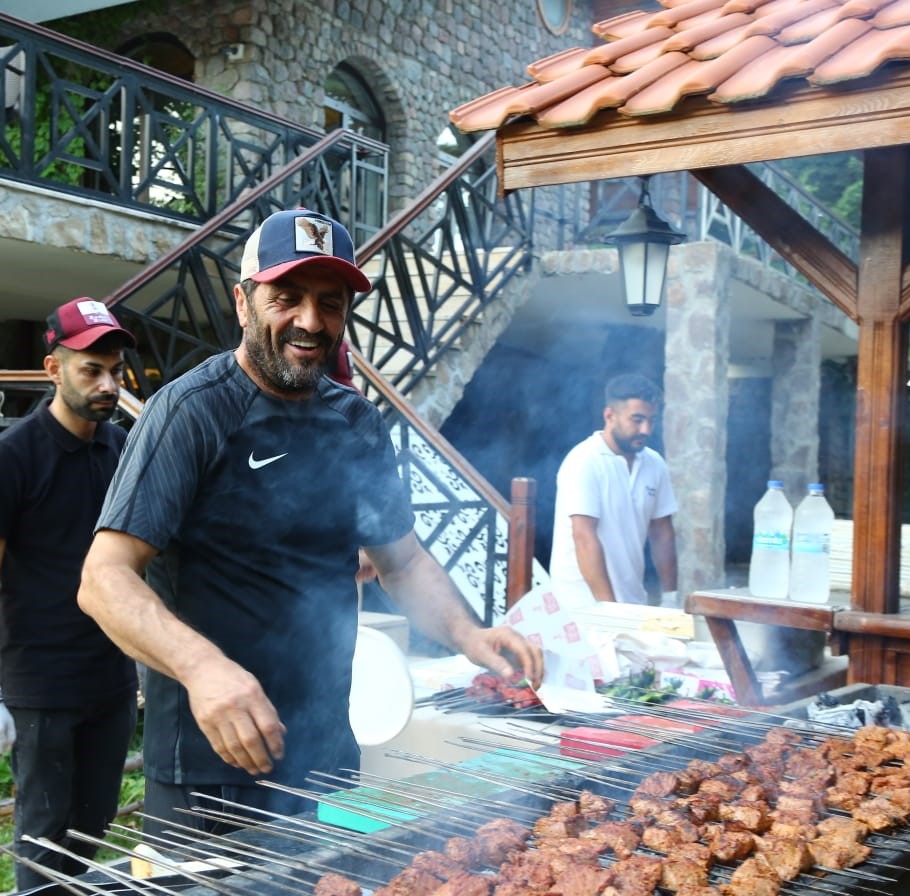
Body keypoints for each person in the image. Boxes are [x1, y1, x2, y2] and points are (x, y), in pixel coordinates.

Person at [78, 208, 543, 839]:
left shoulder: (356, 423)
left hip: (326, 756)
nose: (309, 320)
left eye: (330, 303)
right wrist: (203, 669)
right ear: (244, 303)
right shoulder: (190, 412)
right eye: (286, 297)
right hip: (211, 768)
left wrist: (469, 634)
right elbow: (104, 579)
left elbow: (401, 561)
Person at [0, 297, 139, 890]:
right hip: (40, 685)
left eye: (115, 370)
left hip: (110, 679)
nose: (108, 384)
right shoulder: (8, 458)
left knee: (94, 827)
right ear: (52, 369)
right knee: (44, 836)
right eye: (91, 370)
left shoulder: (121, 452)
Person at [549, 372, 679, 609]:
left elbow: (662, 531)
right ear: (610, 415)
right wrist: (609, 610)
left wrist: (670, 596)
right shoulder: (584, 460)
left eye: (652, 420)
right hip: (582, 606)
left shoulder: (655, 463)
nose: (646, 429)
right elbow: (584, 537)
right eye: (637, 420)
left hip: (632, 601)